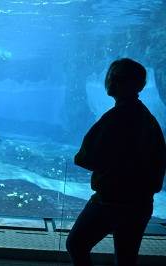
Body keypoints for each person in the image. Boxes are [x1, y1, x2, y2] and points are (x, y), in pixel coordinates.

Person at [66, 58, 166, 266]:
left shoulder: (116, 118)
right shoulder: (148, 119)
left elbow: (86, 158)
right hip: (140, 203)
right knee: (126, 259)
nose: (111, 81)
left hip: (110, 202)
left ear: (132, 84)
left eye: (117, 78)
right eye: (111, 76)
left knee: (76, 244)